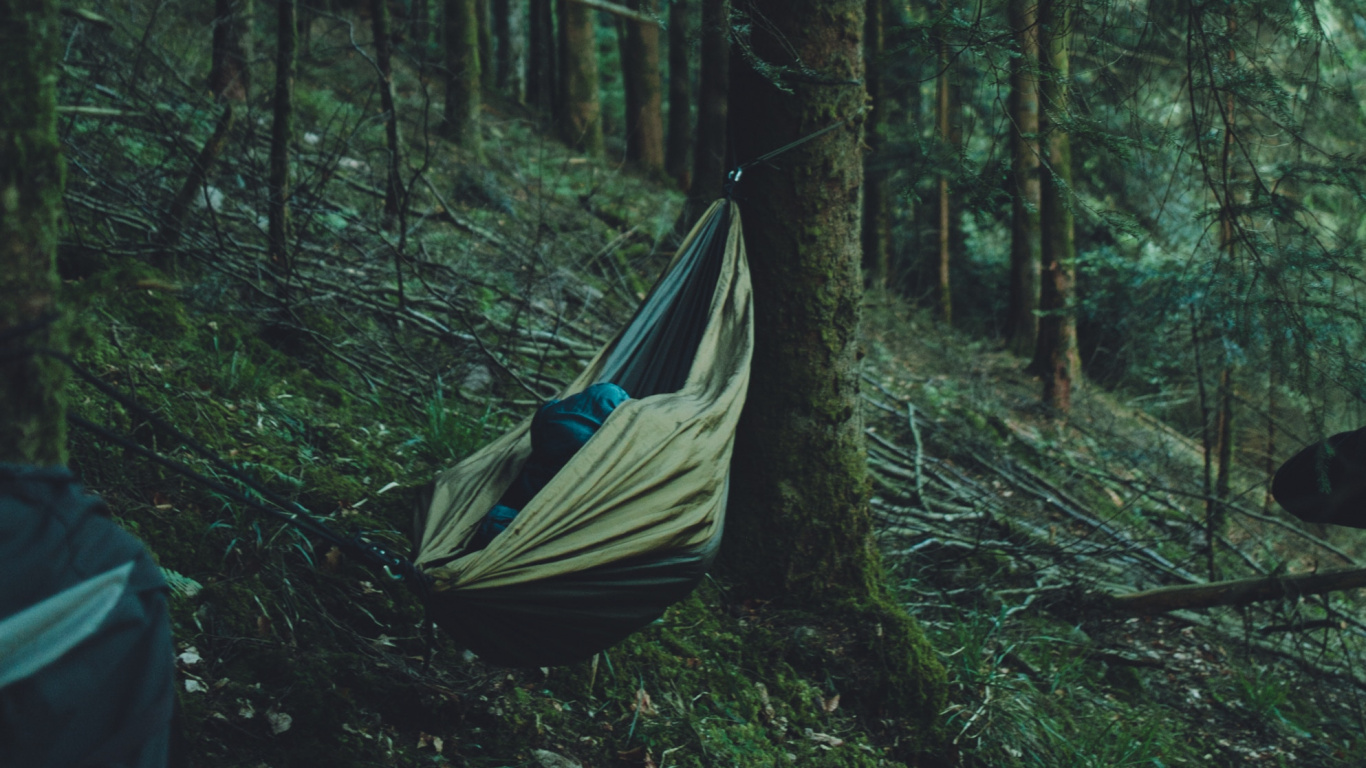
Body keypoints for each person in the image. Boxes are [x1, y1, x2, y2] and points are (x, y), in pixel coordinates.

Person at [469, 382, 630, 549]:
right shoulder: (599, 444)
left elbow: (548, 409)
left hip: (518, 491)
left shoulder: (550, 415)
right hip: (542, 509)